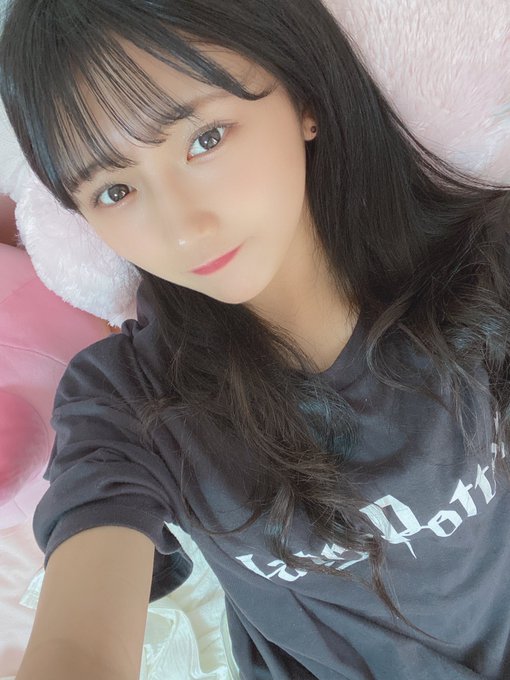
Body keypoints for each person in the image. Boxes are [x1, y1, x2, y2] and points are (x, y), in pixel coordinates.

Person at [1, 1, 510, 678]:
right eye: (115, 191)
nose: (182, 229)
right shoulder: (126, 403)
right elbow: (77, 649)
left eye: (205, 138)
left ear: (304, 99)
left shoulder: (485, 263)